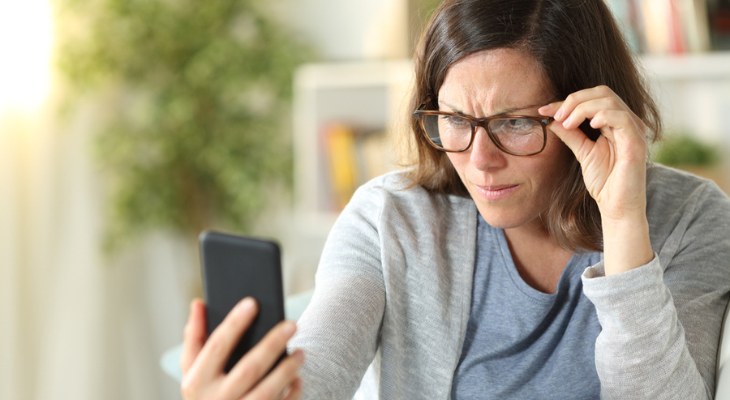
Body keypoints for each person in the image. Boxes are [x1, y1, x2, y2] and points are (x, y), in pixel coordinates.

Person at [179, 0, 730, 399]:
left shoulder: (691, 220)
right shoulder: (389, 218)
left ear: (586, 114)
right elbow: (319, 368)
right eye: (456, 121)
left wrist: (623, 219)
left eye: (514, 122)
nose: (480, 159)